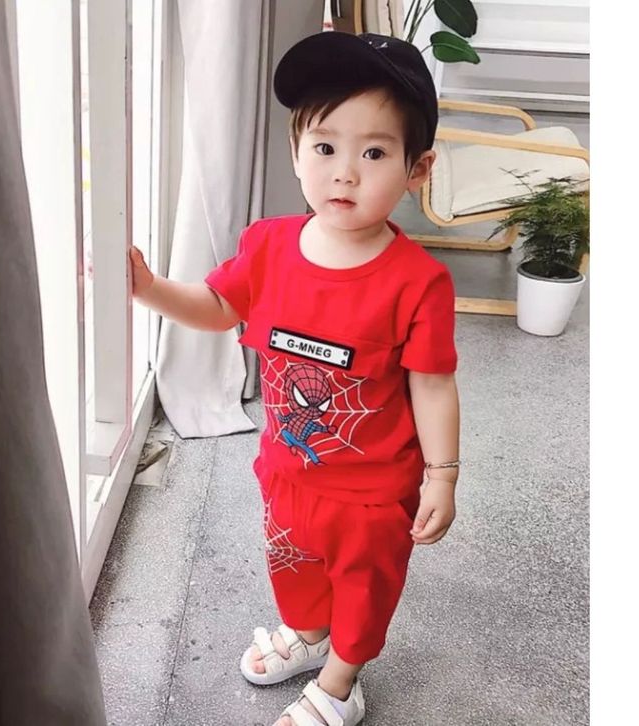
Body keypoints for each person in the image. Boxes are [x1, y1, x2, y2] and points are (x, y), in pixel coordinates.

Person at [130, 31, 460, 726]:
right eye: (325, 147)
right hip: (287, 468)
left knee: (364, 590)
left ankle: (341, 683)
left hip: (372, 492)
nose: (345, 173)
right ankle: (310, 637)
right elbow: (219, 306)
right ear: (295, 151)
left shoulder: (418, 283)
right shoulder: (268, 245)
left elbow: (432, 384)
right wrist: (152, 288)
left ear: (418, 167)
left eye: (374, 153)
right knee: (294, 569)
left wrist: (442, 475)